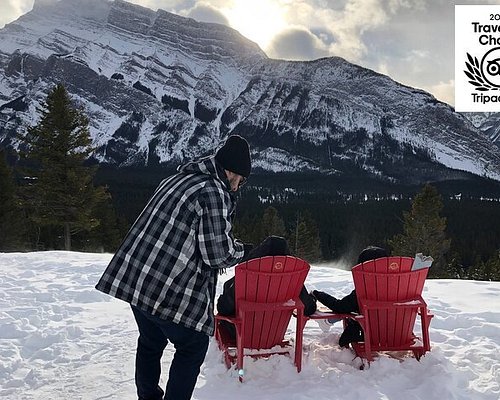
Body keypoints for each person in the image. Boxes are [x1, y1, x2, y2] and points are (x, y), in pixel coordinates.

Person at [95, 135, 252, 400]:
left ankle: (147, 396)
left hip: (136, 280)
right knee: (193, 345)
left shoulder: (177, 178)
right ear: (226, 171)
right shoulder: (213, 190)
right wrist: (244, 251)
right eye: (236, 179)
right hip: (166, 286)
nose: (236, 187)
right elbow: (217, 254)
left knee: (150, 341)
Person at [216, 236, 317, 338]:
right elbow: (309, 309)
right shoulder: (292, 278)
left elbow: (224, 309)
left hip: (241, 335)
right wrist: (312, 299)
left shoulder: (246, 277)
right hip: (273, 336)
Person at [312, 246, 389, 348]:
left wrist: (317, 294)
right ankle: (328, 321)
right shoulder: (403, 289)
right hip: (398, 334)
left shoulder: (364, 292)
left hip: (371, 337)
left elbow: (340, 306)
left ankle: (328, 321)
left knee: (352, 310)